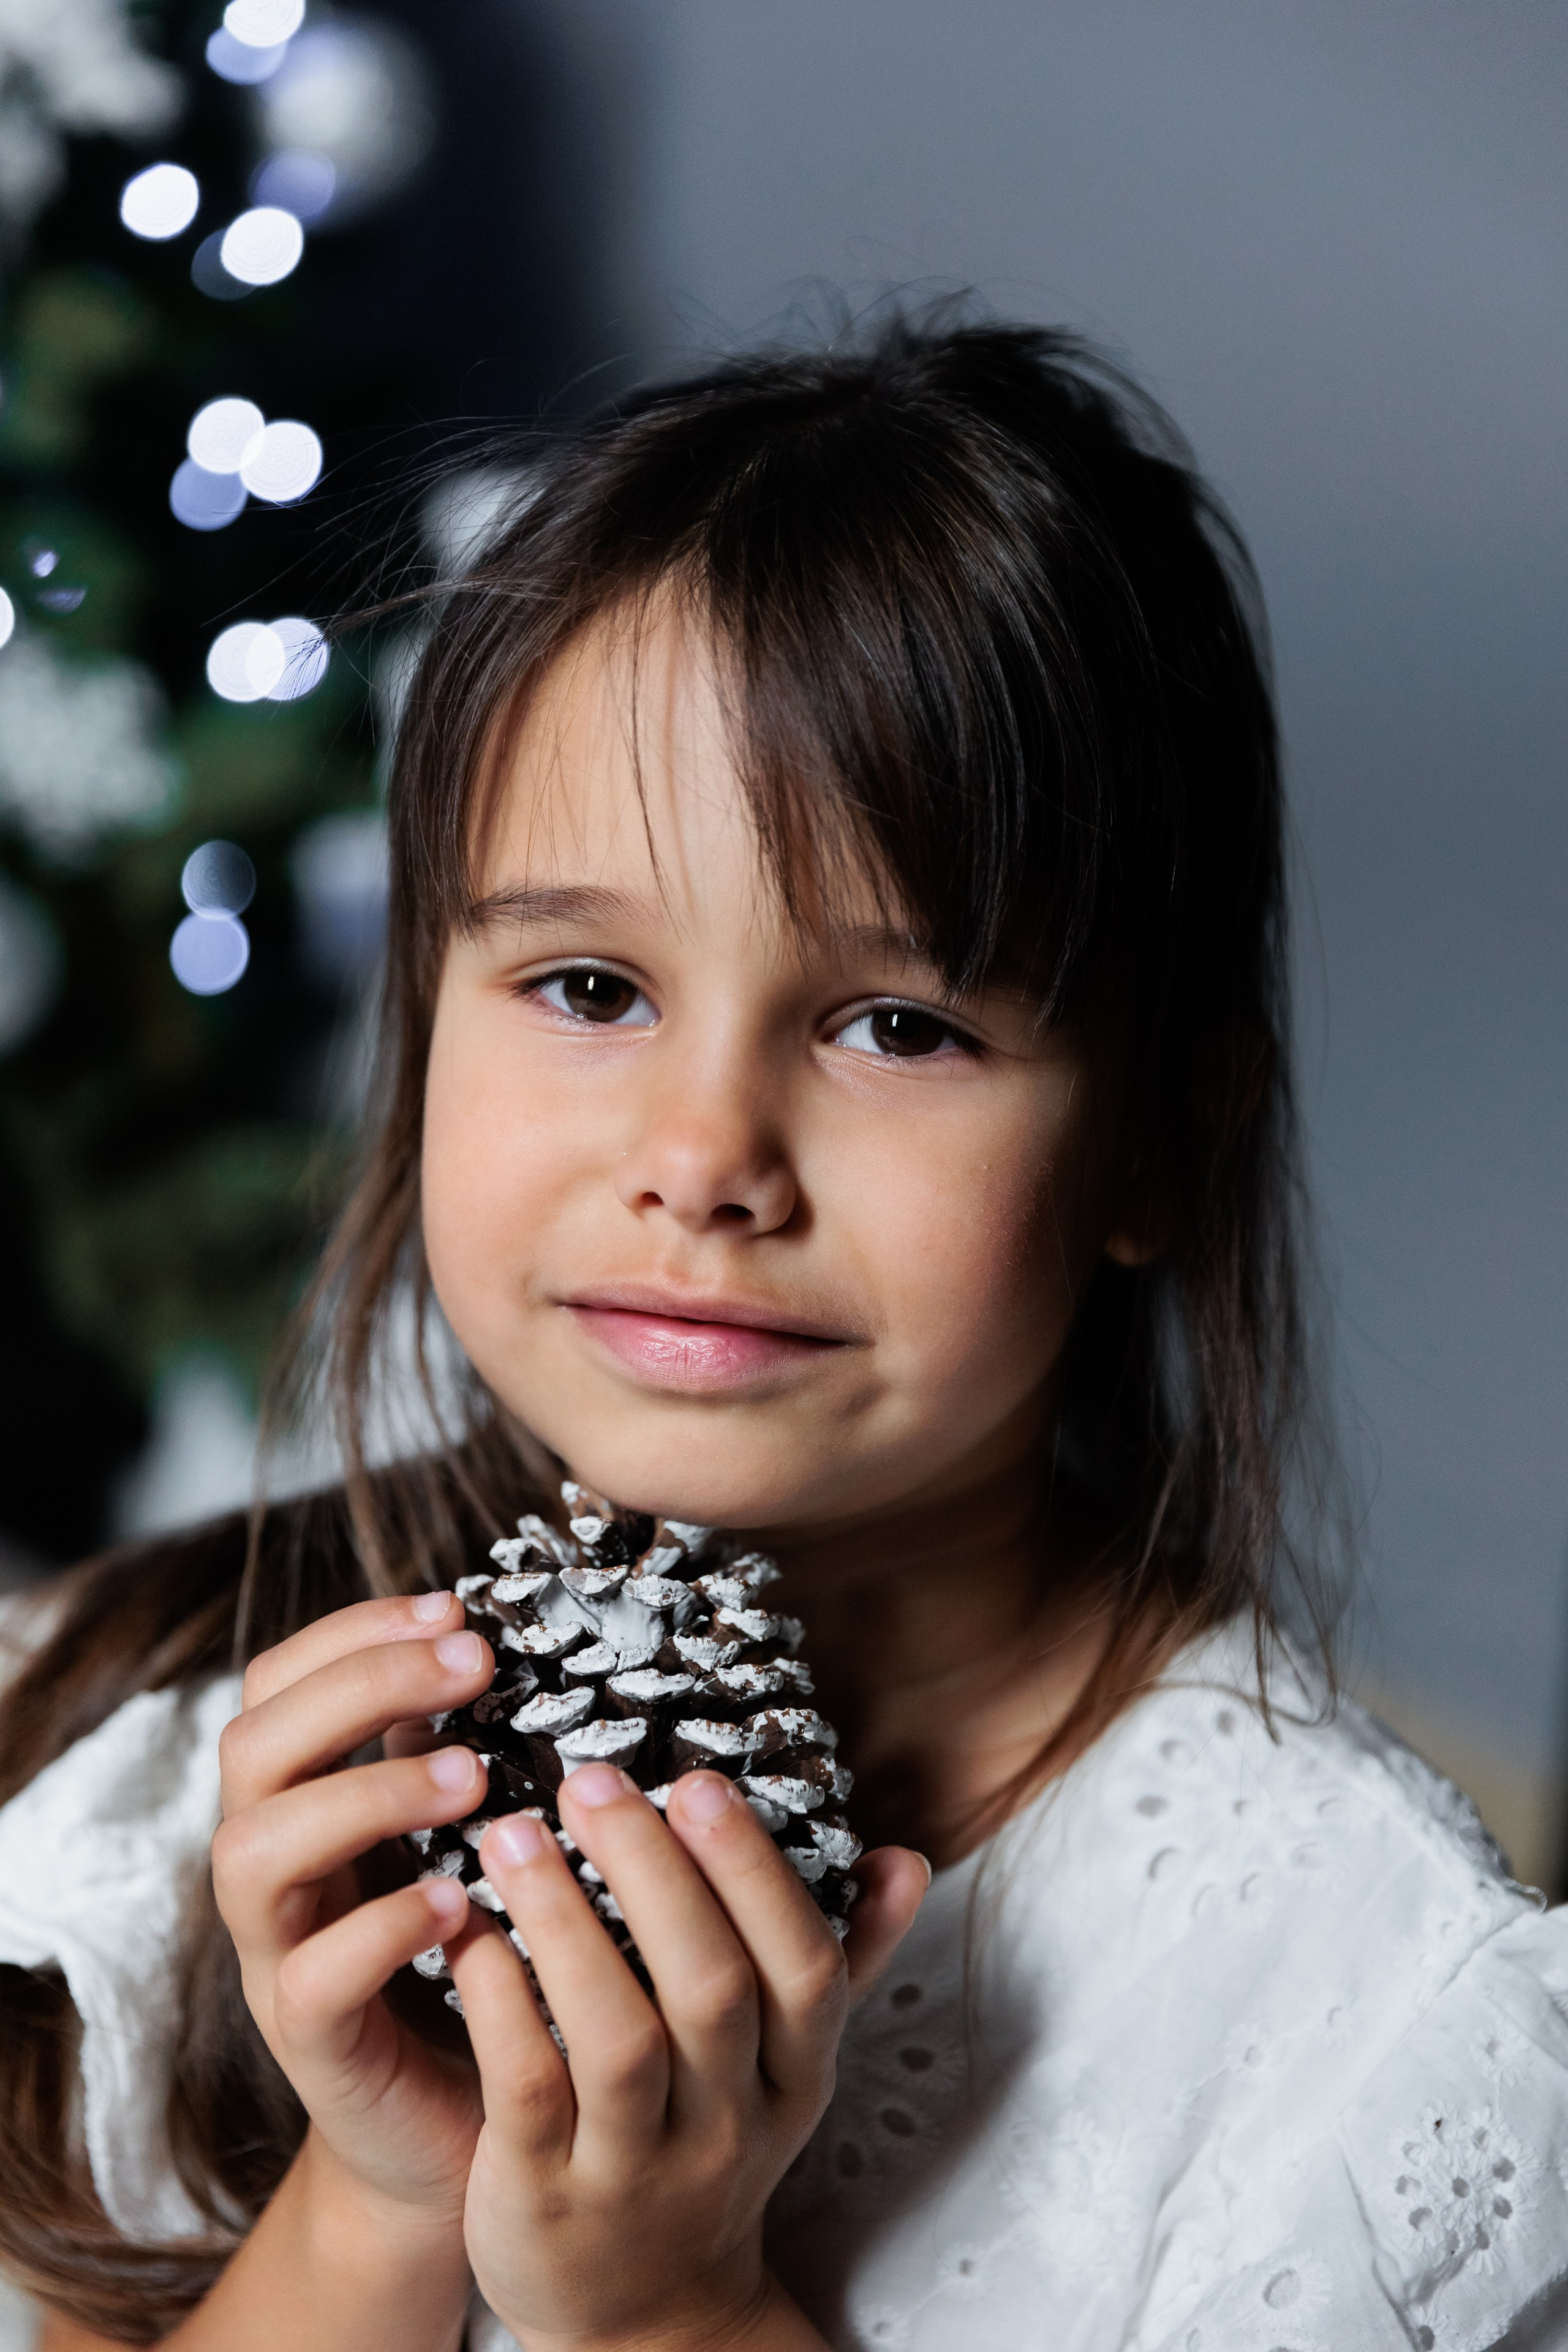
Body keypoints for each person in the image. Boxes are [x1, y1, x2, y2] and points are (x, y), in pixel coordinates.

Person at [1, 315, 1564, 2352]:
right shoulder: (185, 1730)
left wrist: (671, 2315)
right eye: (587, 987)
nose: (704, 1156)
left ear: (1156, 1143)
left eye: (898, 1026)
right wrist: (386, 2199)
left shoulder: (1367, 2037)